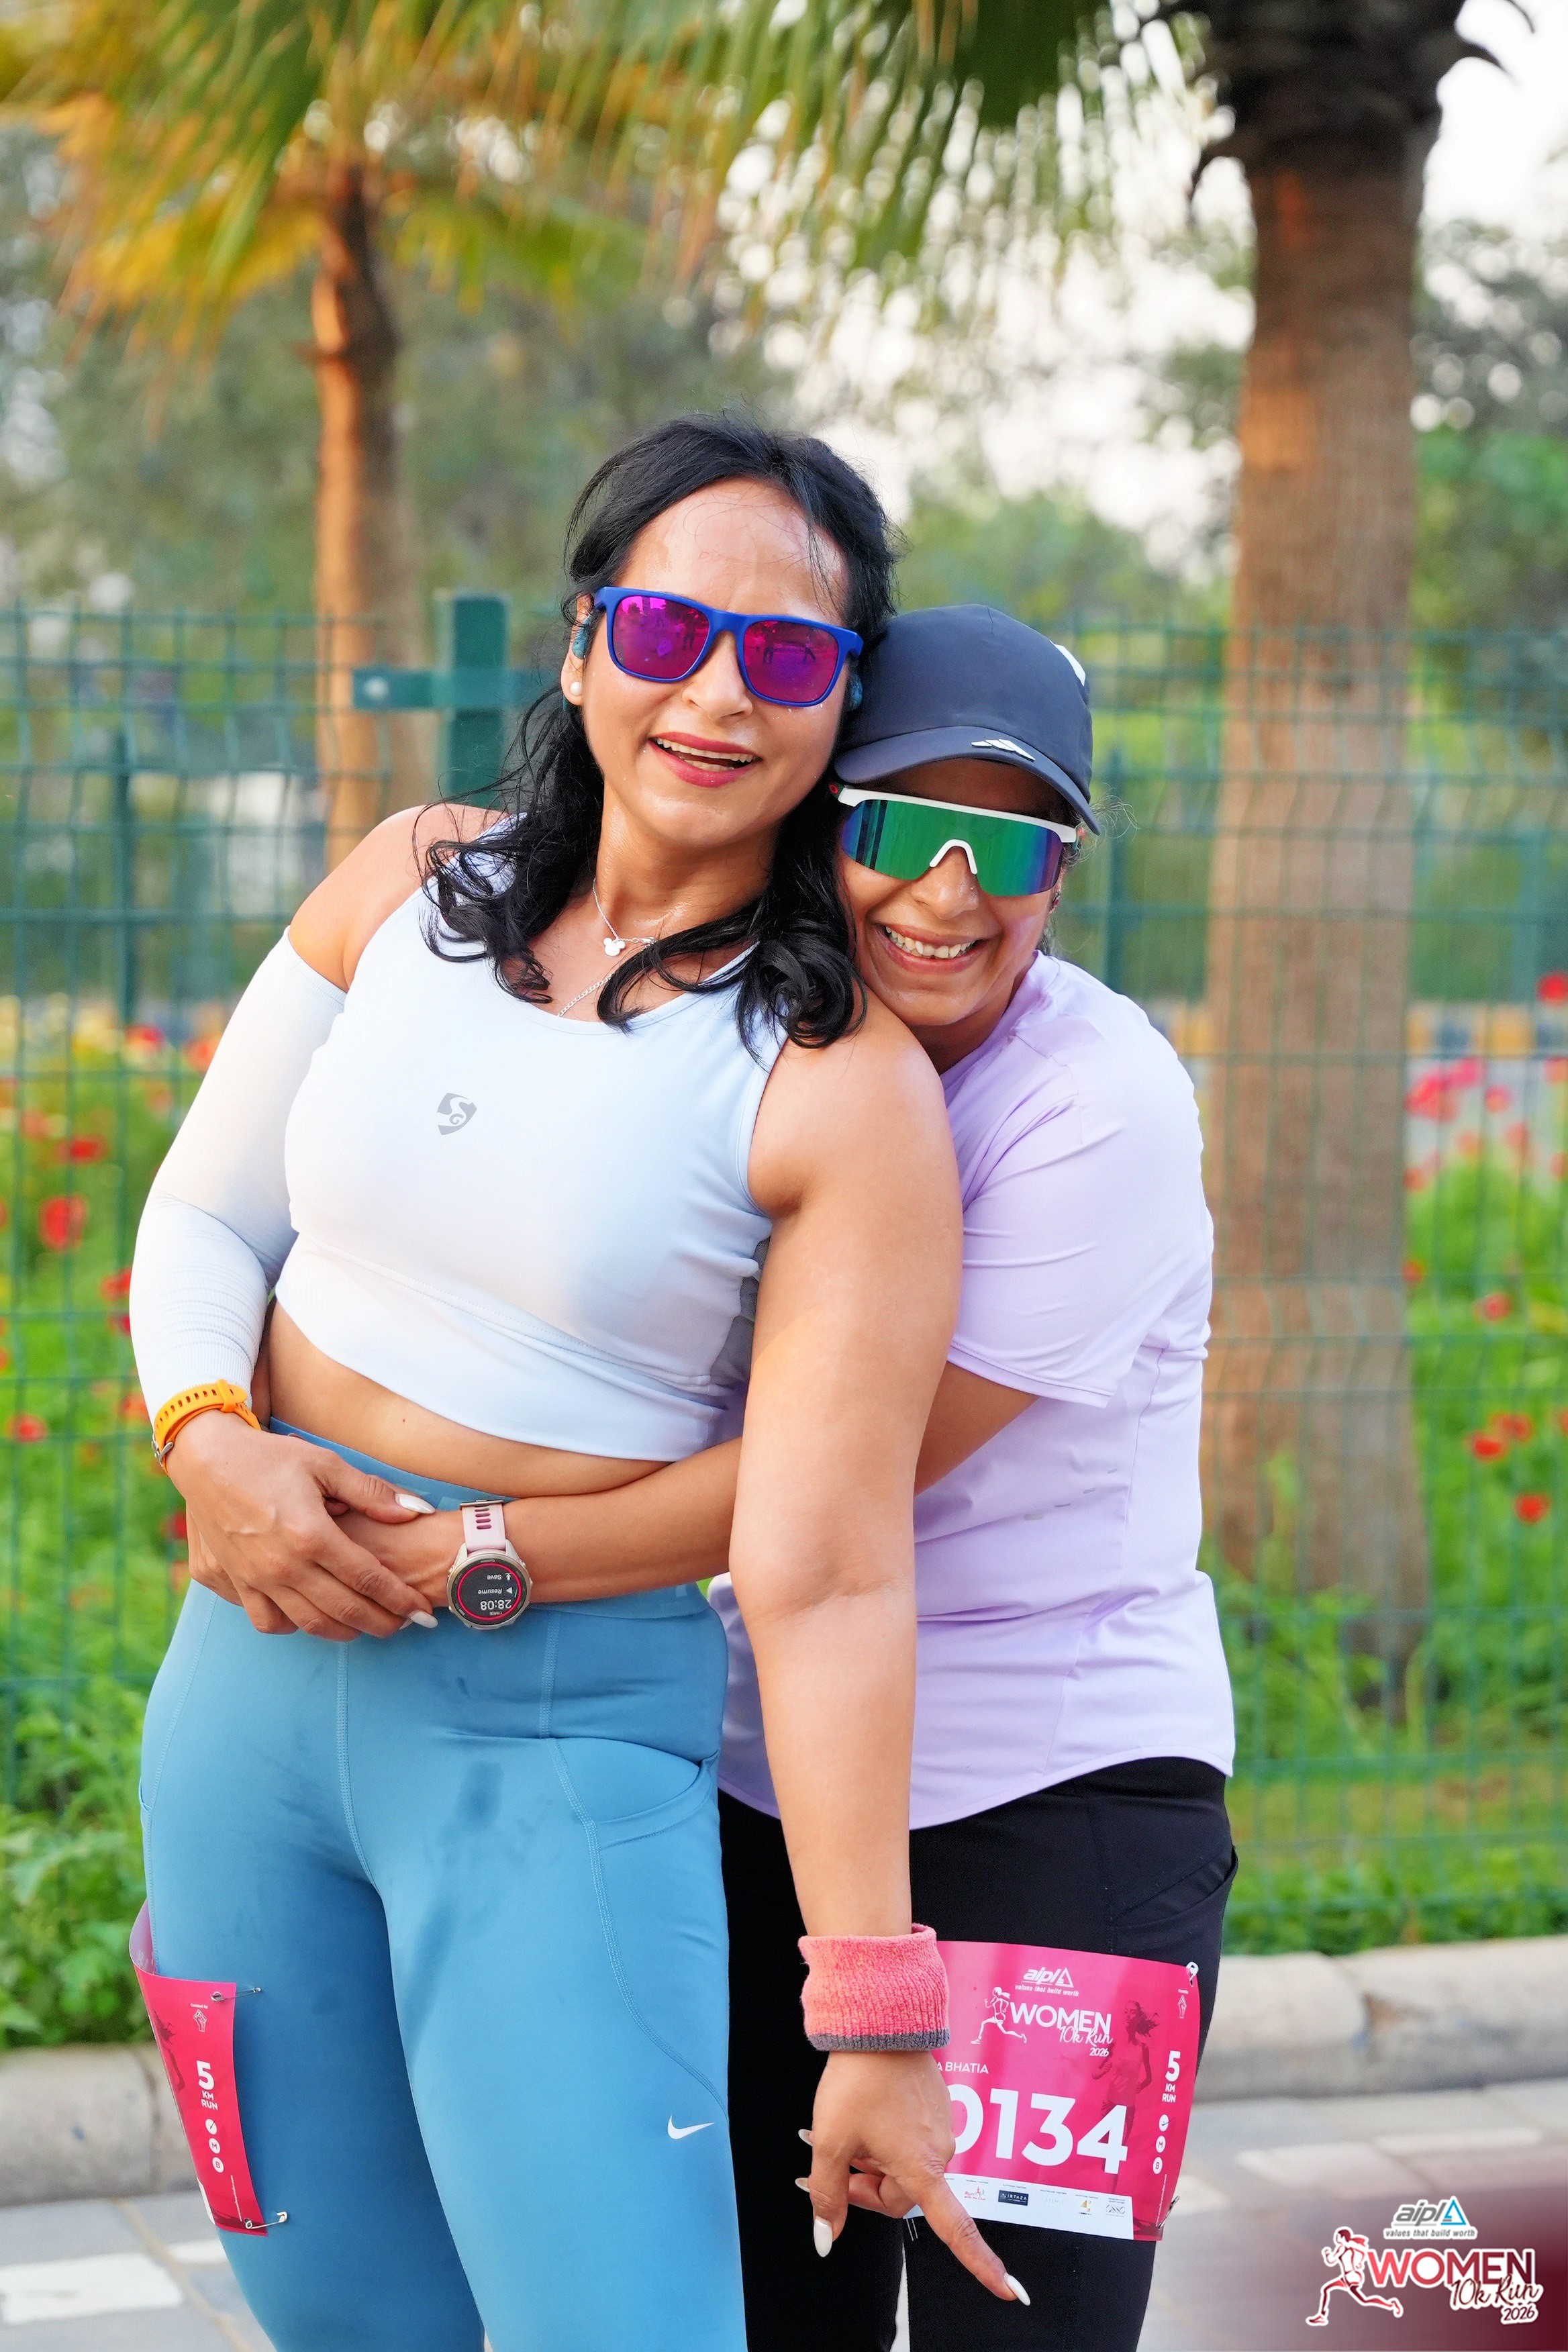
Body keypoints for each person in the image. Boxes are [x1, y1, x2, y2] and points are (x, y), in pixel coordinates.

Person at [129, 422, 1028, 2352]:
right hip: (240, 1707)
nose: (719, 693)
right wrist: (210, 1444)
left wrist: (876, 2014)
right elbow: (204, 1210)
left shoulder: (838, 1083)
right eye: (669, 629)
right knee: (342, 2320)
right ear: (582, 642)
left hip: (546, 1747)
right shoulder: (405, 882)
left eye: (788, 656)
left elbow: (830, 1566)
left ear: (843, 704)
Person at [293, 602, 1238, 2351]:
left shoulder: (1096, 1105)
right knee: (765, 2314)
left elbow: (837, 1488)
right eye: (902, 825)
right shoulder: (719, 1032)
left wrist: (466, 1555)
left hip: (1060, 1797)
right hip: (763, 1782)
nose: (951, 891)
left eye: (1016, 847)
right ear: (814, 814)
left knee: (1025, 2323)